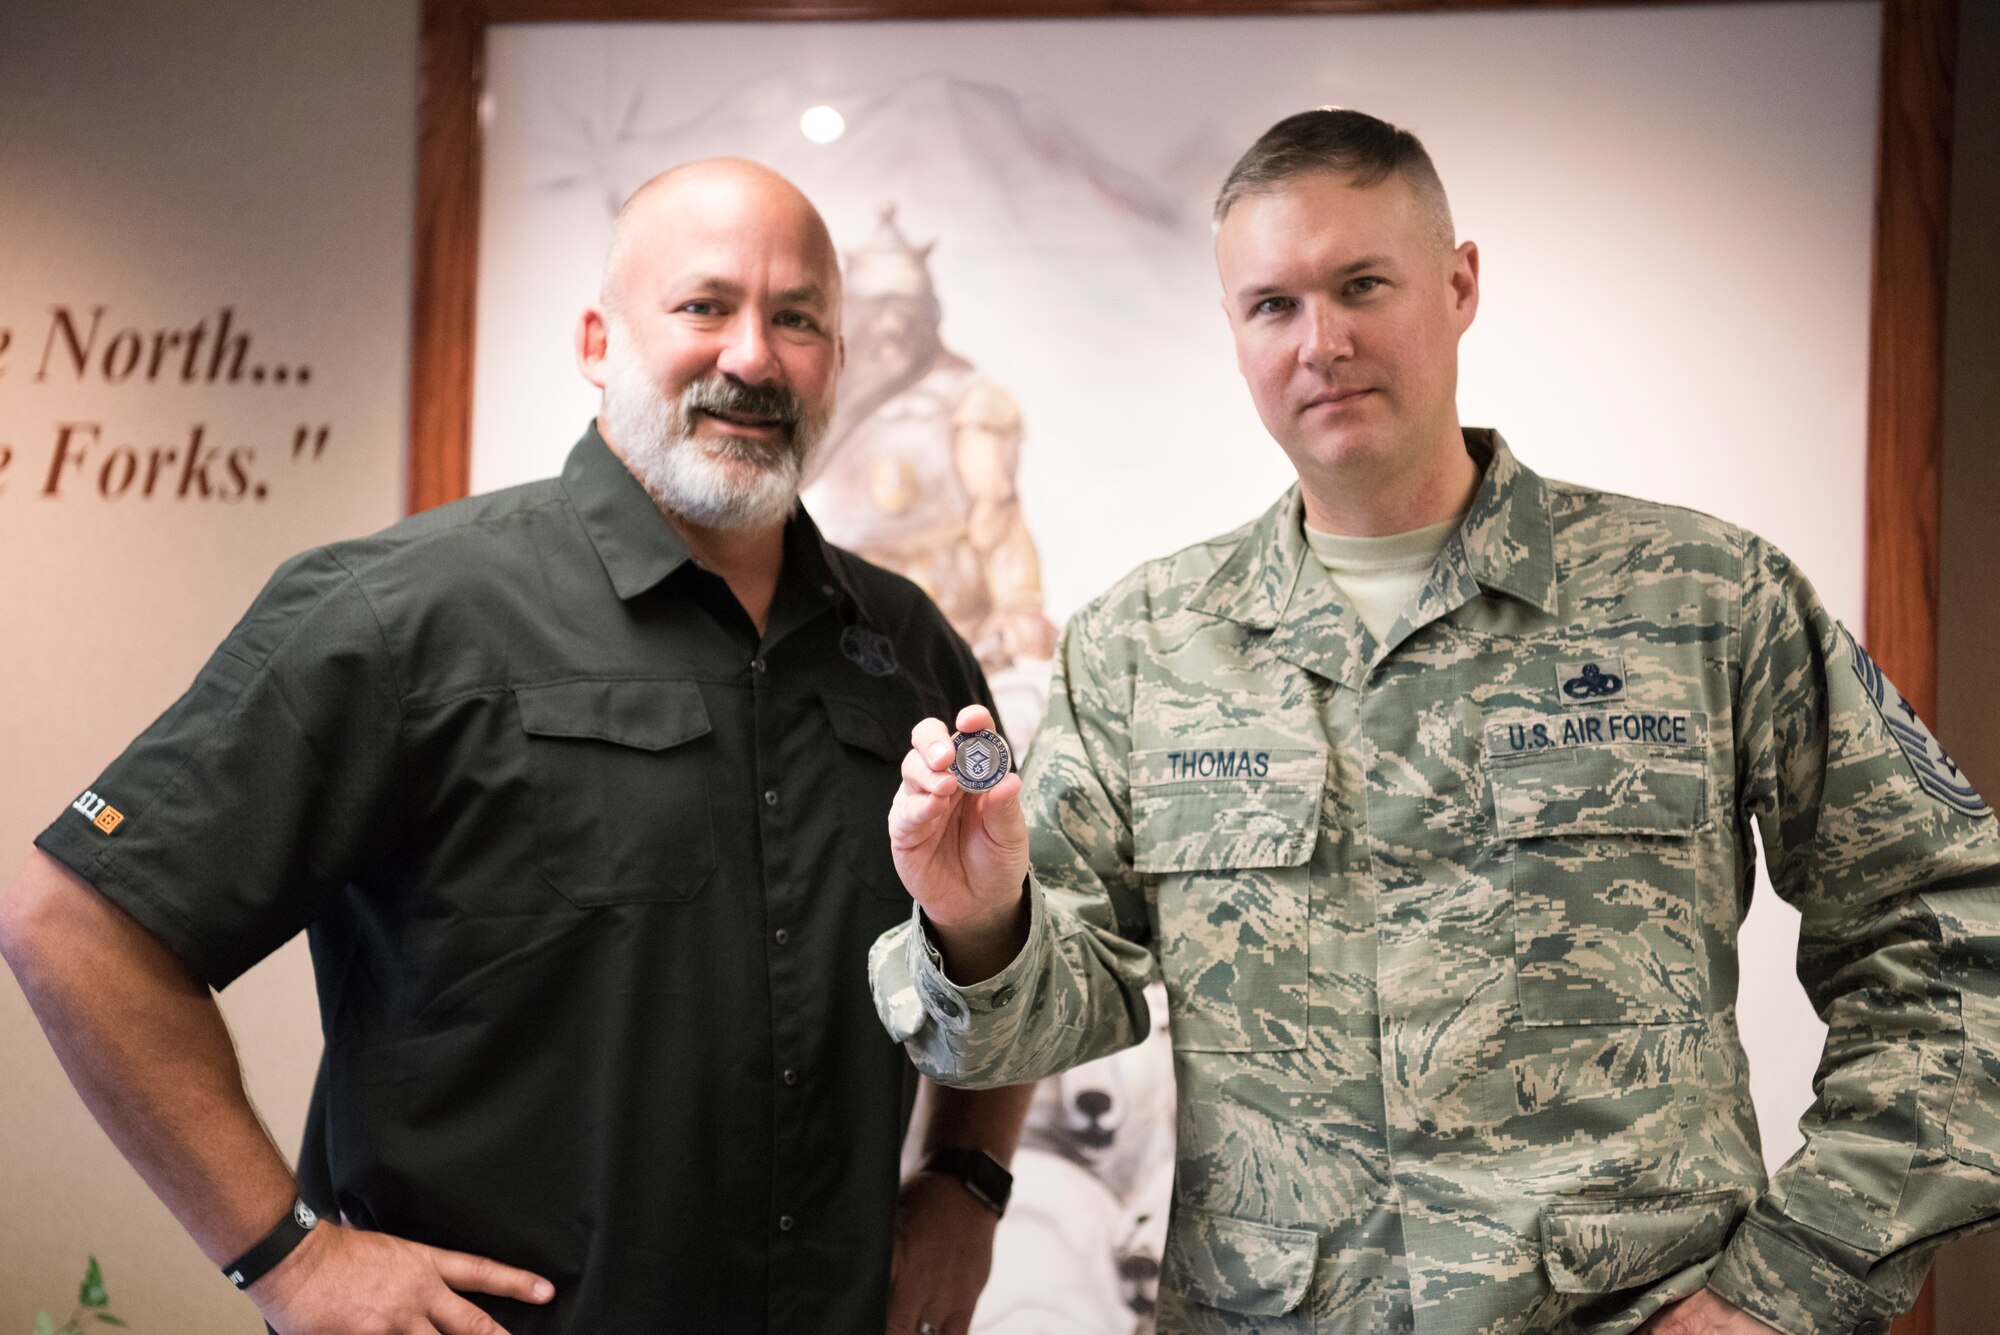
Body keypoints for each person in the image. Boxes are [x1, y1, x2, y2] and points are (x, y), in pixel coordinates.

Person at [869, 110, 2000, 1335]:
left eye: (1362, 284)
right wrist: (977, 920)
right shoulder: (1145, 646)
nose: (1322, 343)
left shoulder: (1702, 598)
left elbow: (1952, 943)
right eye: (1272, 306)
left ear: (1457, 285)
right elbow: (1041, 1016)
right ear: (1235, 333)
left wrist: (1786, 1288)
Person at [0, 158, 1030, 1335]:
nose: (752, 357)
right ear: (598, 340)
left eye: (797, 319)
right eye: (703, 306)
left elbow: (999, 938)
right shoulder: (401, 615)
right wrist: (289, 1262)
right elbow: (74, 924)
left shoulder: (904, 647)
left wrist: (966, 1181)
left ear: (837, 362)